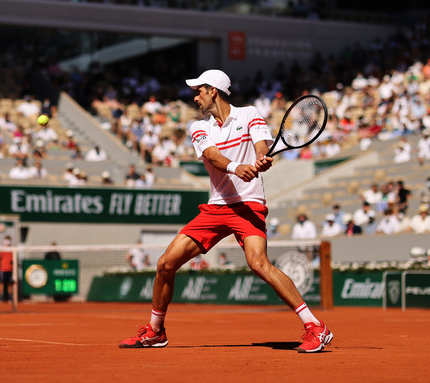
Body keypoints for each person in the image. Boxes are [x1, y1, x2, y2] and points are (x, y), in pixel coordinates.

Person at [119, 70, 332, 352]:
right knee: (165, 264)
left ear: (213, 91)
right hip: (216, 208)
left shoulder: (249, 114)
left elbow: (260, 143)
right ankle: (155, 331)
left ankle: (315, 327)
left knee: (258, 263)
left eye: (199, 92)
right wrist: (236, 167)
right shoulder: (199, 127)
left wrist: (259, 158)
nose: (195, 98)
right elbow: (212, 156)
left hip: (248, 206)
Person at [0, 236, 14, 302]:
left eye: (8, 240)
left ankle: (10, 297)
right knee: (2, 283)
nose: (7, 242)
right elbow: (1, 256)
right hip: (3, 269)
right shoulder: (2, 248)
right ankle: (0, 297)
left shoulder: (13, 249)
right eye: (6, 240)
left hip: (10, 269)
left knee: (10, 283)